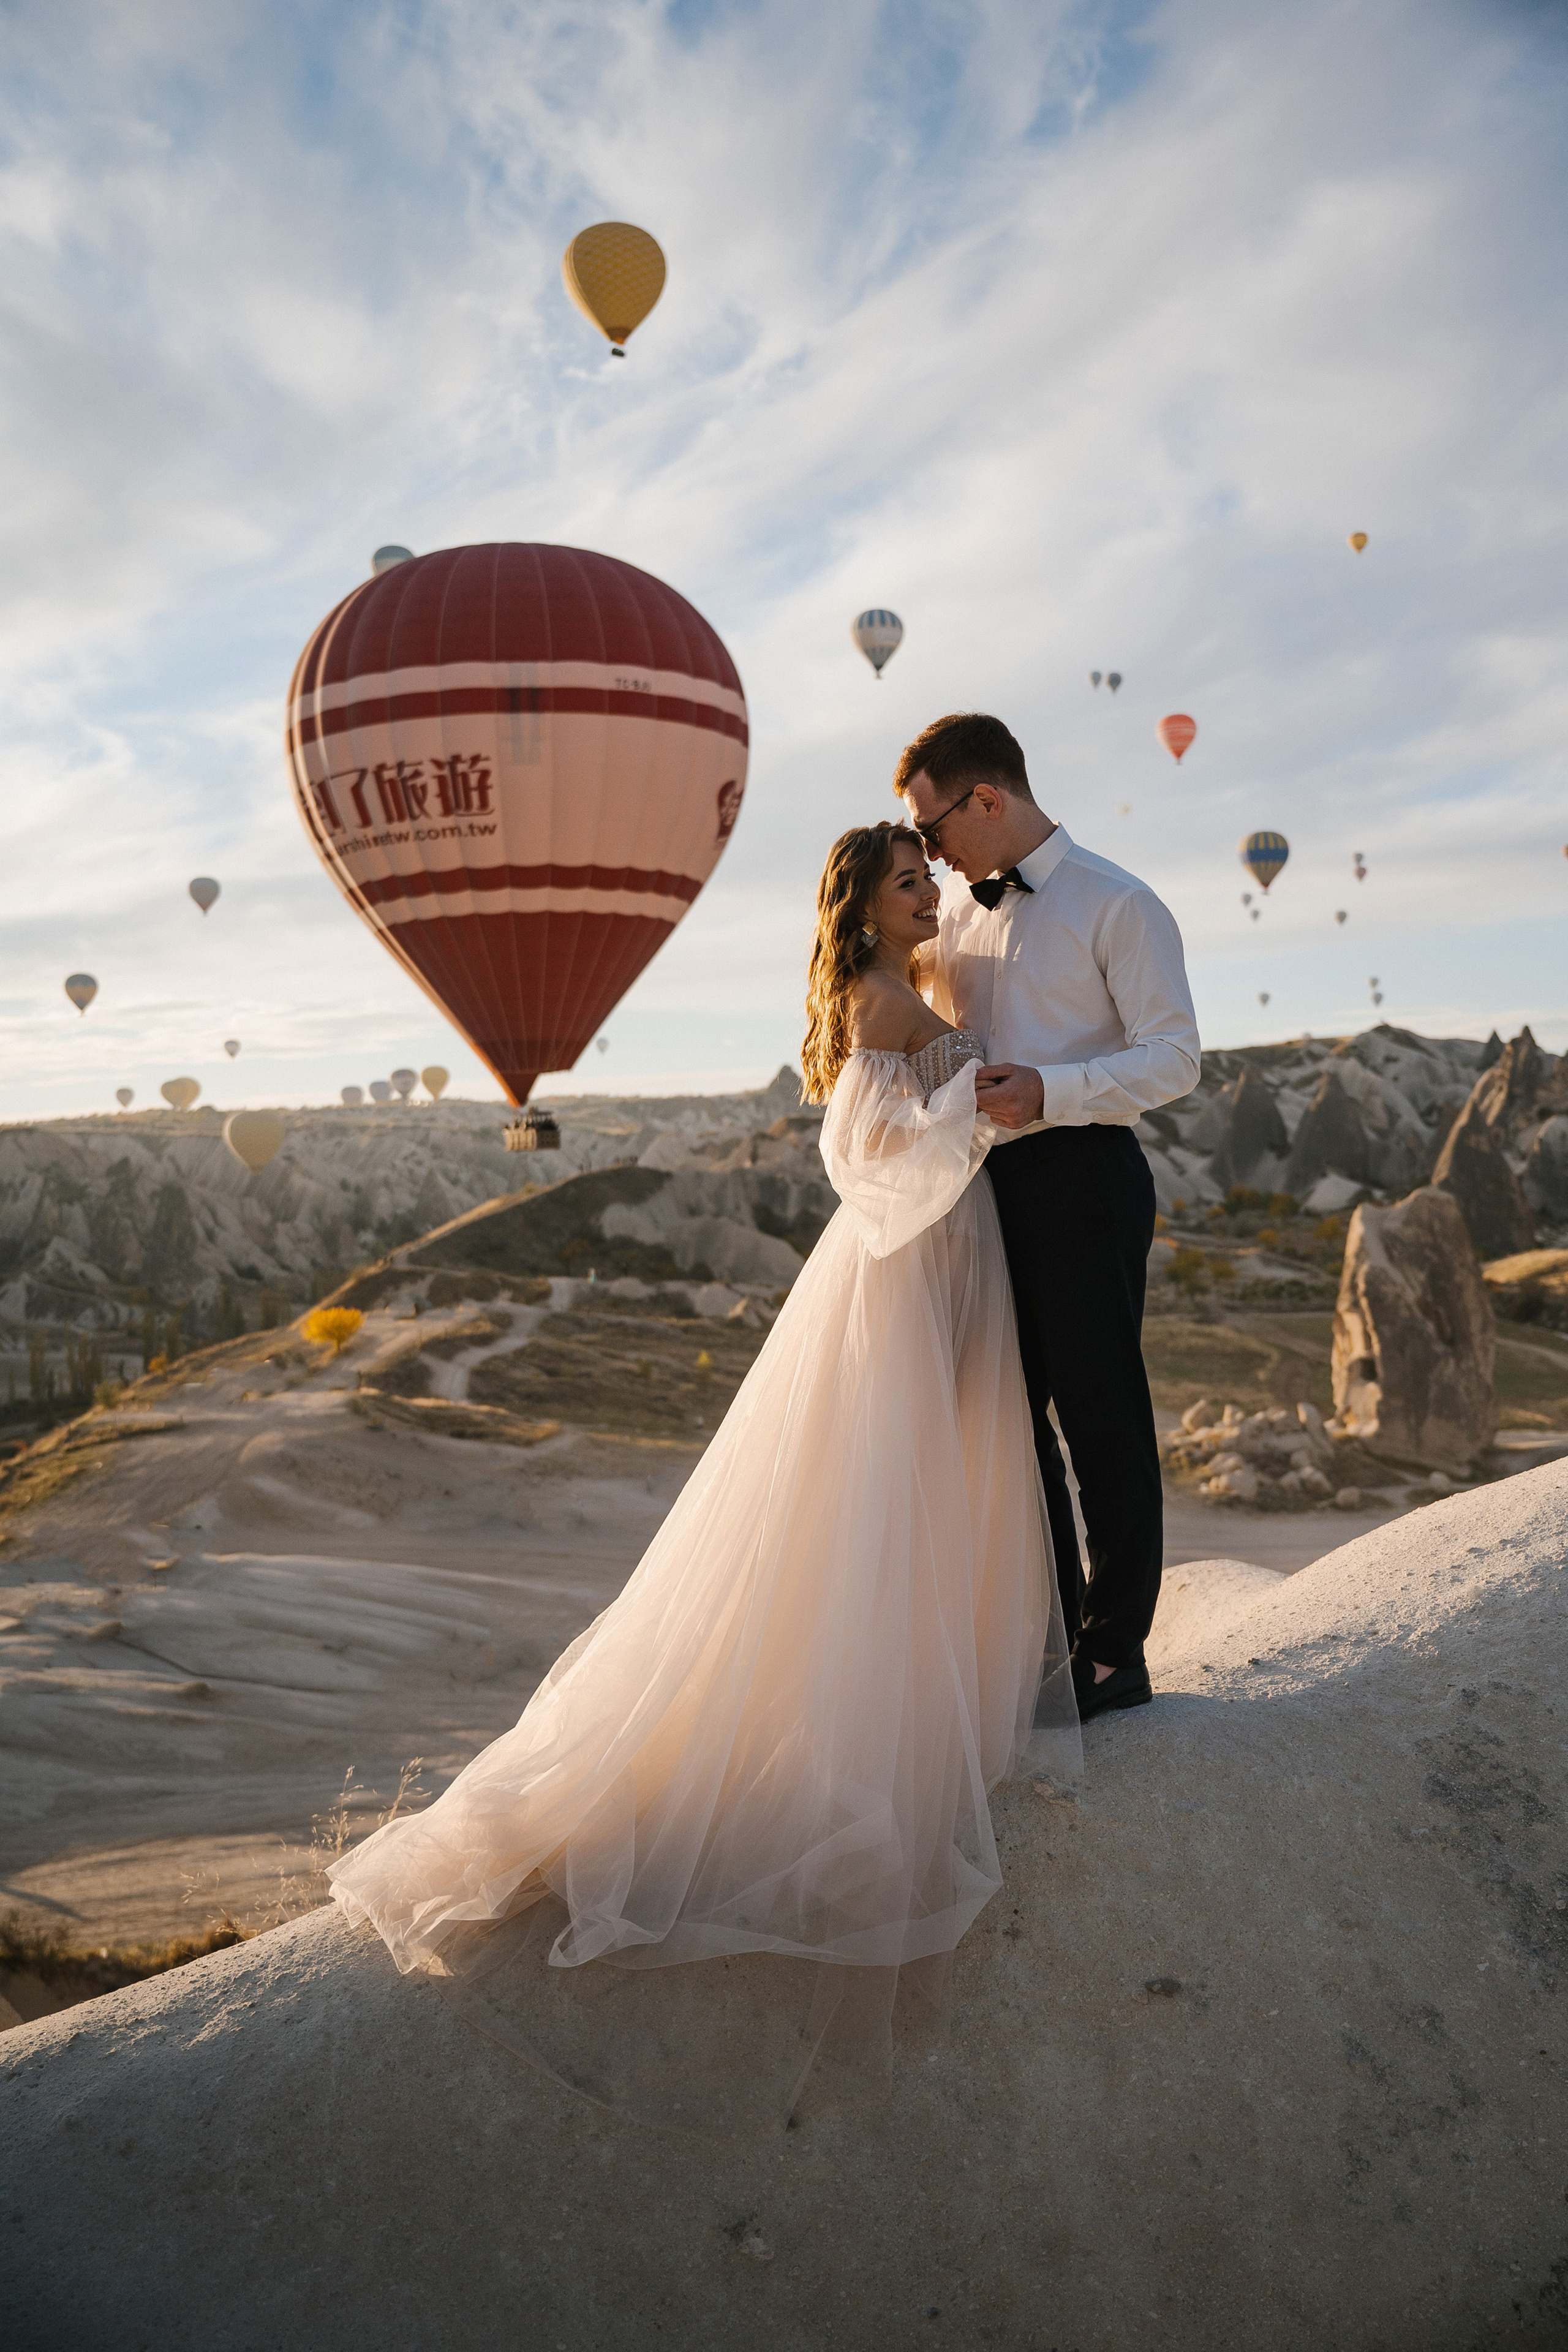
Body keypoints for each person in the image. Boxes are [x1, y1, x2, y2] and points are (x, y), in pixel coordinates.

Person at [328, 821, 1079, 2019]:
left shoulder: (889, 986)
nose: (928, 892)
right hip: (915, 1248)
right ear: (862, 904)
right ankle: (884, 1755)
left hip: (930, 1250)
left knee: (912, 1483)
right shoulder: (881, 997)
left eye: (929, 875)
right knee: (899, 1485)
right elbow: (879, 1147)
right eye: (906, 881)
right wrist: (977, 1114)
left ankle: (912, 1734)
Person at [894, 713, 1200, 1722]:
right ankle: (1049, 1634)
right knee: (1006, 1417)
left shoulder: (1120, 903)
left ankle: (1116, 1653)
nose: (930, 854)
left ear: (988, 798)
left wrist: (1054, 1091)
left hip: (1082, 1174)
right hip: (980, 1186)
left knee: (1099, 1409)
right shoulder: (956, 922)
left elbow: (1174, 1058)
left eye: (934, 830)